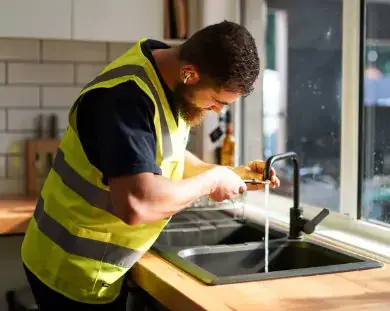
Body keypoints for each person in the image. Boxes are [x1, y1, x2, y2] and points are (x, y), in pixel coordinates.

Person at [21, 20, 280, 310]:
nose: (217, 111)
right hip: (69, 267)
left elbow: (162, 156)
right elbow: (137, 204)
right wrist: (212, 181)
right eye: (218, 101)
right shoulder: (125, 99)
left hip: (95, 266)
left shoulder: (164, 76)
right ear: (189, 74)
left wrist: (230, 174)